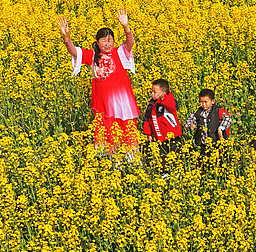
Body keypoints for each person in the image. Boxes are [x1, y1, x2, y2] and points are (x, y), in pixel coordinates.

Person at [57, 9, 140, 157]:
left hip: (123, 102)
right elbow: (74, 52)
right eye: (103, 41)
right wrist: (66, 37)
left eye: (110, 40)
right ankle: (110, 162)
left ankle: (131, 160)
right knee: (106, 130)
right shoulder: (92, 55)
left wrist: (126, 27)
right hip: (104, 105)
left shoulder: (120, 52)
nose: (107, 44)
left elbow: (130, 42)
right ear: (97, 42)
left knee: (127, 128)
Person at [142, 79, 183, 168]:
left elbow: (173, 106)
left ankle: (177, 173)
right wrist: (149, 134)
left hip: (173, 136)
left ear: (163, 93)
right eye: (151, 91)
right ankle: (165, 173)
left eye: (154, 92)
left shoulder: (169, 101)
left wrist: (164, 98)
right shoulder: (151, 105)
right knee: (162, 156)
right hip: (159, 137)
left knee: (174, 154)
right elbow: (147, 120)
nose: (152, 94)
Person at [185, 89, 232, 154]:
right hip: (204, 144)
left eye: (205, 102)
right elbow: (188, 121)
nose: (203, 104)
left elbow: (228, 119)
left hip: (217, 143)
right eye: (201, 102)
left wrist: (221, 128)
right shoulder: (199, 113)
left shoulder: (218, 112)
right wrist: (190, 125)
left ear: (213, 101)